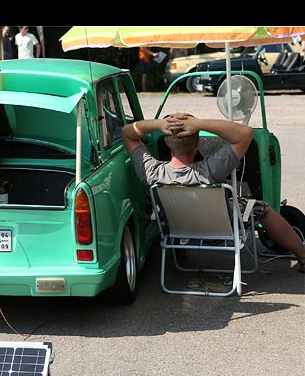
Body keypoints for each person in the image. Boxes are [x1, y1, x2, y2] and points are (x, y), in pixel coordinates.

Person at [121, 113, 305, 273]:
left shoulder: (153, 172)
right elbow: (245, 133)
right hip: (221, 230)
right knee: (262, 209)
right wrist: (200, 123)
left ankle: (180, 249)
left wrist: (160, 124)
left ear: (167, 142)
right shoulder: (209, 170)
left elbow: (127, 133)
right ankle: (303, 255)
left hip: (177, 229)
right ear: (198, 142)